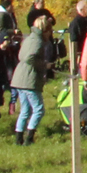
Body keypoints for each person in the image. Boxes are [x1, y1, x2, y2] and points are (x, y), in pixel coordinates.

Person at [12, 11, 55, 144]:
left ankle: (19, 138)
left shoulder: (29, 38)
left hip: (19, 78)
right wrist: (44, 65)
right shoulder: (38, 41)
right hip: (29, 80)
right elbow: (29, 57)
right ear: (45, 30)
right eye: (50, 31)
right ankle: (29, 138)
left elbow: (21, 55)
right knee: (39, 109)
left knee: (25, 110)